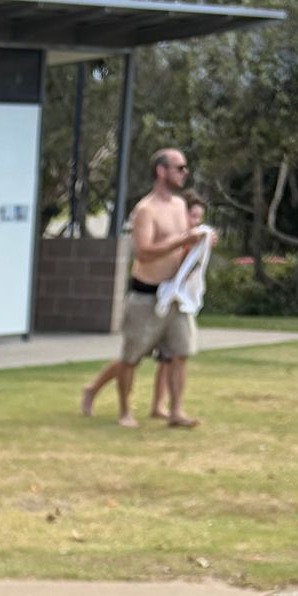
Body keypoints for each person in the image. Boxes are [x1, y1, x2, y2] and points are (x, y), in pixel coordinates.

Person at [81, 145, 200, 426]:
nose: (185, 172)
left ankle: (176, 411)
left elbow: (183, 247)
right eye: (179, 168)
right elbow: (144, 251)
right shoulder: (146, 210)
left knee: (180, 354)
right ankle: (122, 410)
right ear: (161, 171)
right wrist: (182, 240)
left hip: (174, 294)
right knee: (132, 357)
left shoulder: (179, 205)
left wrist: (199, 244)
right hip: (145, 296)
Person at [149, 192, 215, 427]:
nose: (196, 222)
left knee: (173, 356)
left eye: (199, 217)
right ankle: (93, 389)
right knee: (133, 357)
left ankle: (167, 408)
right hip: (163, 300)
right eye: (192, 216)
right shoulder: (171, 238)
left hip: (178, 303)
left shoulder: (193, 238)